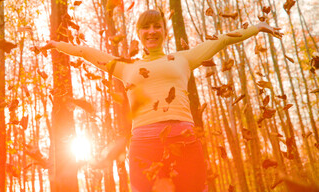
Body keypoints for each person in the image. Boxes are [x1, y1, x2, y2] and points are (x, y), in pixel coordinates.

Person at [41, 10, 281, 192]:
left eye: (157, 26)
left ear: (164, 31)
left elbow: (222, 40)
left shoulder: (183, 58)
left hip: (184, 140)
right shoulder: (127, 67)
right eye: (146, 28)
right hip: (144, 145)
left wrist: (257, 27)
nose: (152, 31)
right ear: (139, 33)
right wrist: (56, 45)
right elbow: (89, 53)